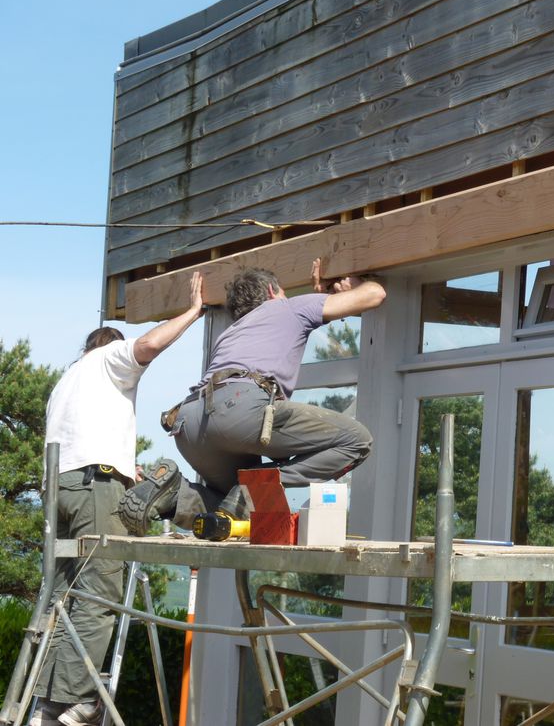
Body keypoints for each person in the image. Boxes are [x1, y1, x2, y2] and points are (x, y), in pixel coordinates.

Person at [30, 273, 205, 726]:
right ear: (107, 346)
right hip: (93, 488)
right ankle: (76, 702)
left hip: (61, 490)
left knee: (65, 595)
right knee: (99, 595)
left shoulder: (68, 380)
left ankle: (47, 701)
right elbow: (146, 347)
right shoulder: (109, 355)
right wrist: (192, 312)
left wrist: (128, 471)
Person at [118, 261, 386, 534]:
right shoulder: (288, 307)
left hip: (189, 422)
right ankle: (254, 485)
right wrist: (353, 288)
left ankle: (174, 495)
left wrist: (327, 297)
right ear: (272, 290)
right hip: (239, 410)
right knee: (357, 440)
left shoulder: (233, 331)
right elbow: (375, 294)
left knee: (234, 509)